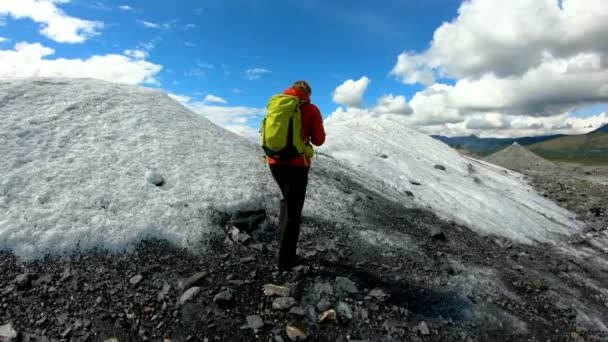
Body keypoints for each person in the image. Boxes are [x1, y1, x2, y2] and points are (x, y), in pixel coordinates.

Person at [267, 80, 325, 270]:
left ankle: (281, 244)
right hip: (297, 165)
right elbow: (319, 140)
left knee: (287, 199)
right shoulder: (311, 109)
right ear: (308, 93)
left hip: (274, 162)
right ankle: (285, 260)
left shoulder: (277, 103)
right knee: (294, 213)